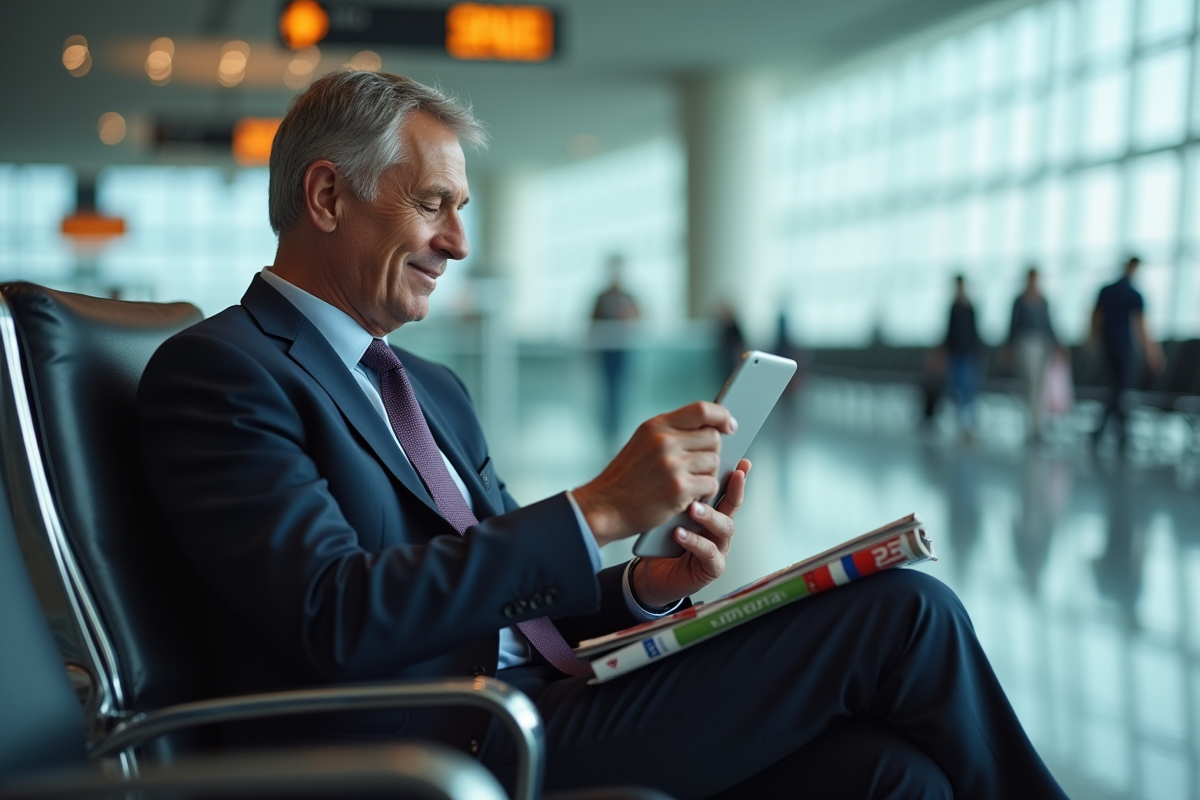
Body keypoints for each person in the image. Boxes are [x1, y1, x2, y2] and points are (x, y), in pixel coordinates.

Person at [136, 71, 1067, 800]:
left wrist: (643, 587)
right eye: (432, 204)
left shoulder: (431, 388)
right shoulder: (222, 371)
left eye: (462, 209)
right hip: (436, 740)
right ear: (329, 197)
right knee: (905, 615)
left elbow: (502, 597)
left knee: (896, 778)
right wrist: (595, 509)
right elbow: (335, 614)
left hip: (544, 701)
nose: (458, 244)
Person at [1090, 256, 1163, 452]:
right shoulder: (1133, 294)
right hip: (1124, 348)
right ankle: (1116, 433)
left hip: (1108, 347)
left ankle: (1108, 432)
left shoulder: (1107, 291)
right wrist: (1152, 352)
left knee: (1116, 390)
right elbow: (1141, 326)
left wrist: (1093, 341)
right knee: (1120, 390)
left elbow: (1095, 318)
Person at [590, 254, 641, 446]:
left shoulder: (628, 297)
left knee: (621, 392)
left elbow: (638, 319)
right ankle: (606, 431)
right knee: (605, 392)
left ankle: (619, 430)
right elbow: (592, 323)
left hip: (623, 352)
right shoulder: (601, 298)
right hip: (605, 353)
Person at [1005, 267, 1059, 443]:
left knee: (1039, 386)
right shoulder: (1020, 301)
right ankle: (1032, 426)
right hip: (1025, 343)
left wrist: (1057, 344)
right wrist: (1009, 348)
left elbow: (1049, 324)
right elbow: (1012, 326)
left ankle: (1038, 426)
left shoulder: (1043, 300)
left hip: (1042, 344)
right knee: (1030, 385)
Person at [942, 274, 983, 437]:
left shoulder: (970, 308)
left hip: (968, 354)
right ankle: (960, 423)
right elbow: (948, 332)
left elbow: (975, 333)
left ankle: (970, 424)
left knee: (968, 389)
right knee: (956, 390)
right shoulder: (953, 308)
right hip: (955, 354)